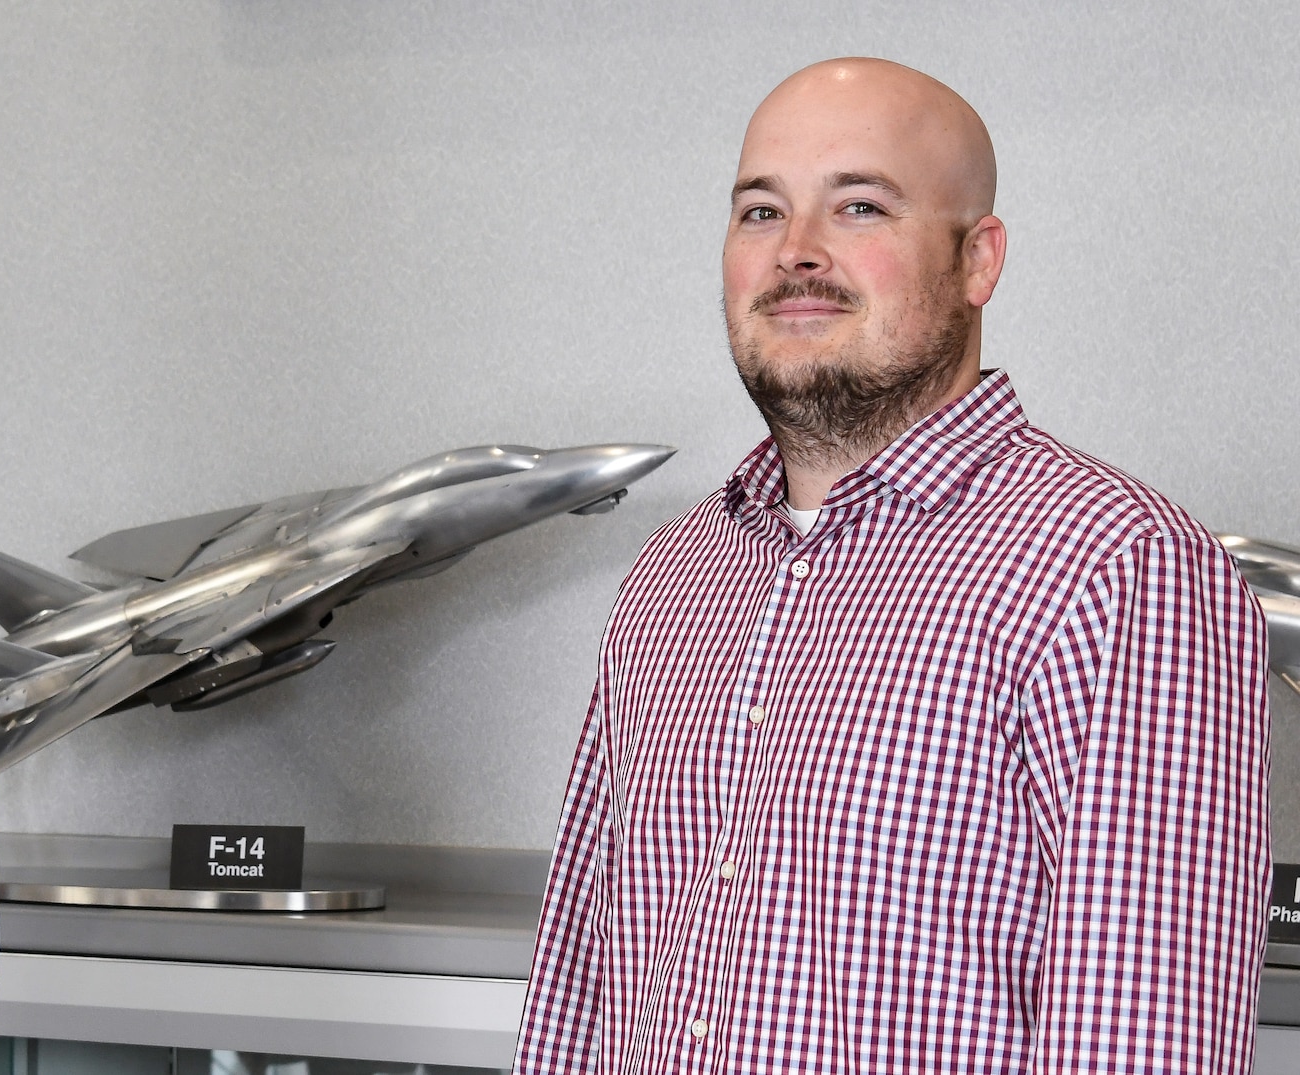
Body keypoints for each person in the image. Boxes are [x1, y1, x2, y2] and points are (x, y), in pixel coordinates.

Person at [517, 58, 1267, 1072]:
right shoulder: (670, 579)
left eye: (859, 207)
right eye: (758, 213)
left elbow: (1139, 1042)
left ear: (977, 261)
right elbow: (578, 987)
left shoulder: (1117, 570)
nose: (795, 253)